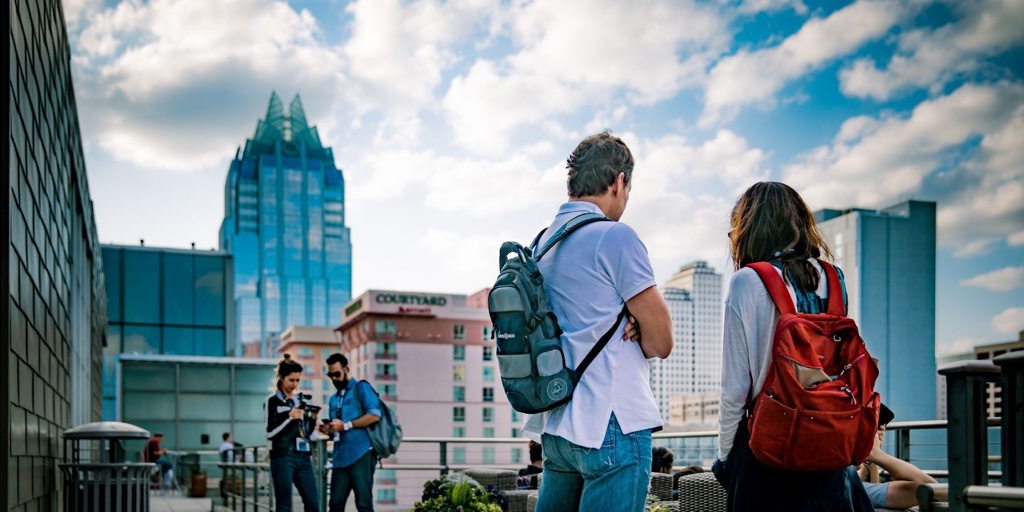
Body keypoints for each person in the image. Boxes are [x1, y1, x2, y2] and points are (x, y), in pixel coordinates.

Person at [522, 131, 674, 512]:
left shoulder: (540, 244)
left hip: (556, 425)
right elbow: (661, 342)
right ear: (619, 181)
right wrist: (638, 323)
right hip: (612, 422)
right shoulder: (615, 237)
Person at [712, 181, 873, 511]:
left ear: (749, 229)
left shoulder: (748, 280)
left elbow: (735, 387)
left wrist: (725, 457)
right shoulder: (834, 278)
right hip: (827, 446)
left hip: (767, 447)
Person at [318, 353, 380, 512]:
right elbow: (337, 429)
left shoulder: (361, 388)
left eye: (337, 374)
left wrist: (346, 425)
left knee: (364, 504)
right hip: (340, 457)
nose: (334, 378)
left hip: (362, 454)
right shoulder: (333, 398)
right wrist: (328, 430)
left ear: (347, 369)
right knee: (335, 505)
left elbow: (374, 415)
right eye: (330, 375)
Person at [266, 354, 320, 512]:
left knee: (313, 504)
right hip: (282, 456)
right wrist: (290, 417)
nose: (295, 384)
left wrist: (313, 419)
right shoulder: (272, 401)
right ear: (281, 378)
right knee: (284, 506)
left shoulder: (299, 400)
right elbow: (270, 433)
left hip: (303, 456)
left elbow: (305, 433)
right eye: (291, 380)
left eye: (298, 380)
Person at [858, 424, 936, 509]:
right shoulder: (851, 490)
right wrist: (875, 454)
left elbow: (867, 491)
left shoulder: (851, 487)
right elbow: (927, 488)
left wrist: (869, 455)